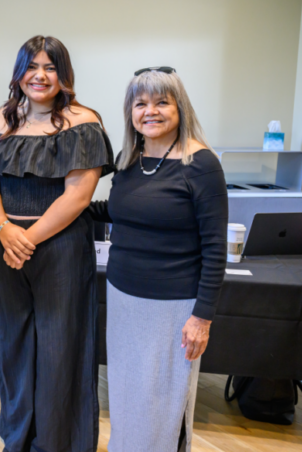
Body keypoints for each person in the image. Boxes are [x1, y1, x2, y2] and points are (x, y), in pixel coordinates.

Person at [0, 35, 113, 452]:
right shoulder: (3, 119)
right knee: (14, 344)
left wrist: (25, 238)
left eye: (50, 67)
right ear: (19, 73)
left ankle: (57, 443)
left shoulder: (83, 121)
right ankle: (17, 439)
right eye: (31, 66)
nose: (40, 75)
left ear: (63, 74)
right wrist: (3, 230)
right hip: (9, 247)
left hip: (61, 250)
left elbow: (78, 196)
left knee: (60, 347)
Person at [88, 67, 227, 452]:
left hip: (174, 308)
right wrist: (59, 209)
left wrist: (202, 317)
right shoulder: (130, 159)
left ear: (179, 107)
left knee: (164, 404)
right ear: (130, 112)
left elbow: (216, 248)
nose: (151, 111)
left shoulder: (201, 164)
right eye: (141, 103)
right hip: (124, 299)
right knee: (129, 397)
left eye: (162, 102)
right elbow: (116, 210)